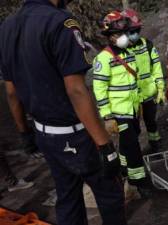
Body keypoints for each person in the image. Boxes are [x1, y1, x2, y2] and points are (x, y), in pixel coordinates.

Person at [0, 1, 127, 224]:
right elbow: (76, 90)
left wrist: (25, 134)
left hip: (44, 133)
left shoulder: (7, 27)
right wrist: (105, 146)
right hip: (76, 133)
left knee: (68, 197)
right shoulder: (61, 22)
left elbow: (11, 92)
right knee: (110, 193)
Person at [92, 11, 152, 197]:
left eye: (125, 33)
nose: (124, 37)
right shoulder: (103, 58)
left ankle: (124, 170)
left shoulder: (129, 53)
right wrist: (107, 117)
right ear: (110, 37)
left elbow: (134, 83)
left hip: (132, 109)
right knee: (133, 147)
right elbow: (99, 89)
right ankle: (140, 182)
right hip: (118, 112)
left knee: (127, 145)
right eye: (120, 34)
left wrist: (139, 104)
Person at [122, 8, 165, 152]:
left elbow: (156, 67)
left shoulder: (147, 45)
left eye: (137, 30)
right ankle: (134, 152)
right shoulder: (119, 51)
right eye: (131, 31)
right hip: (131, 97)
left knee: (151, 122)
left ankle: (155, 145)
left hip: (148, 93)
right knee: (133, 127)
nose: (135, 34)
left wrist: (160, 89)